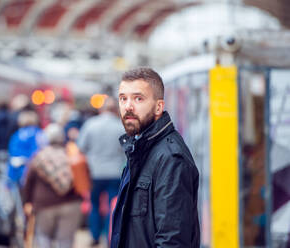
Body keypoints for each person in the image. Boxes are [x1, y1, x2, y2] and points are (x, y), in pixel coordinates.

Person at [111, 68, 200, 248]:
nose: (128, 106)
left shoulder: (171, 158)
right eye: (123, 98)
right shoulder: (139, 149)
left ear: (159, 107)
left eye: (138, 98)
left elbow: (172, 240)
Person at [23, 123, 81, 248]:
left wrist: (27, 201)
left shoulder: (39, 156)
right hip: (71, 203)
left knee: (43, 236)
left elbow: (28, 182)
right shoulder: (71, 154)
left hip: (44, 205)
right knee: (65, 240)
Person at [77, 97, 126, 246]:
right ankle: (110, 236)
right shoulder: (121, 126)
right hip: (115, 173)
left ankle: (95, 235)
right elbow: (126, 149)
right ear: (115, 110)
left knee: (95, 204)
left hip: (95, 172)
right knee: (113, 206)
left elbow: (81, 147)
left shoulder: (90, 125)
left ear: (101, 109)